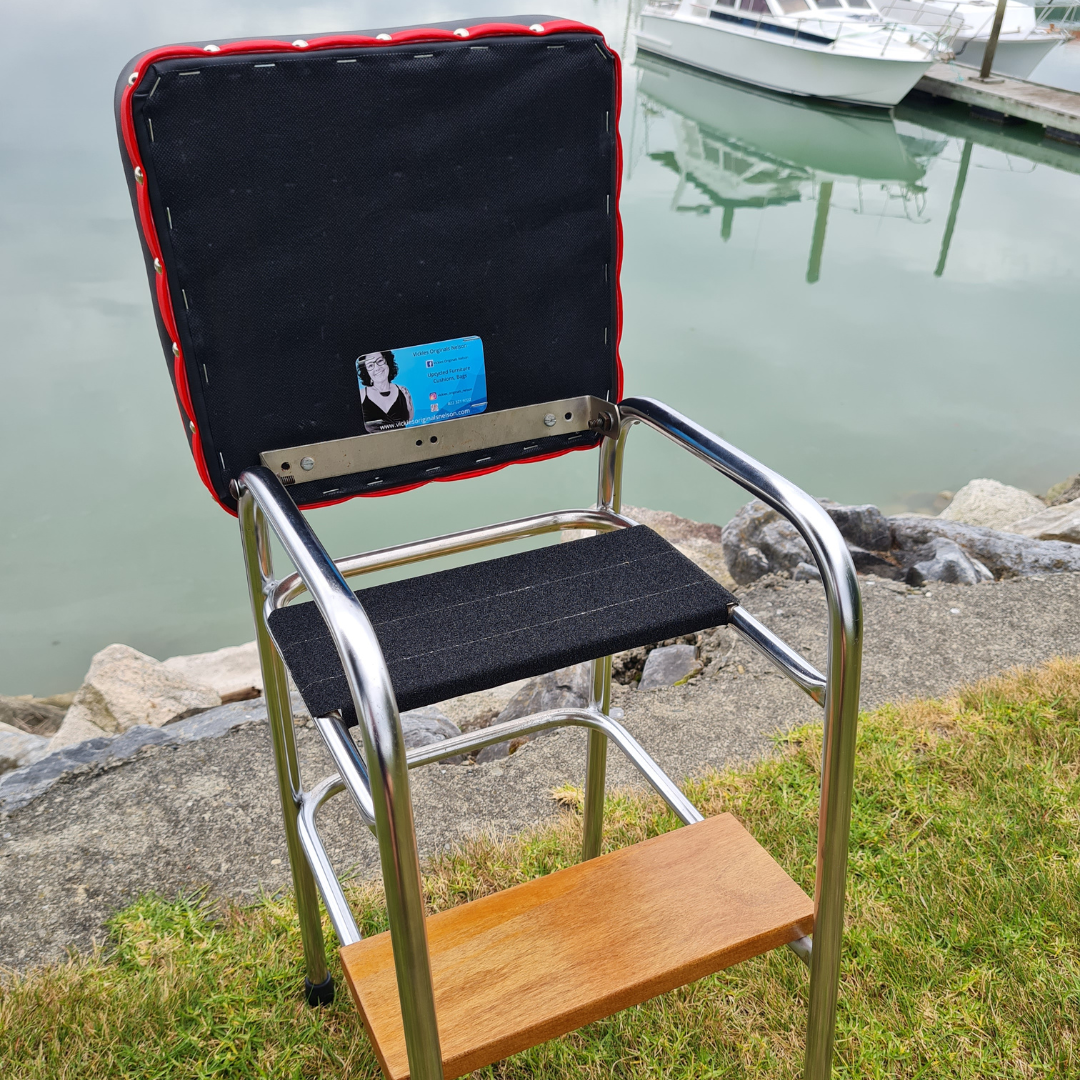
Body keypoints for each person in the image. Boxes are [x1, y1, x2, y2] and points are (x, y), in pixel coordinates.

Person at [356, 350, 414, 432]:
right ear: (366, 372)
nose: (377, 368)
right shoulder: (361, 395)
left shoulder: (404, 391)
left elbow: (410, 419)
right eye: (370, 365)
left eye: (380, 361)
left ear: (388, 362)